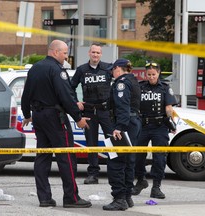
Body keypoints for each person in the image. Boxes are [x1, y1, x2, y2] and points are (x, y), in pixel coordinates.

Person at [21, 39, 92, 208]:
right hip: (55, 117)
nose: (66, 56)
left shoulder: (35, 68)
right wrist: (78, 118)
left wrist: (27, 114)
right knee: (66, 156)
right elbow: (65, 96)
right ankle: (71, 198)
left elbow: (26, 95)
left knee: (42, 157)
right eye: (65, 53)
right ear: (55, 52)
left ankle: (44, 198)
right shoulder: (57, 70)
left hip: (39, 116)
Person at [131, 61, 177, 199]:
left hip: (160, 126)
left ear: (158, 73)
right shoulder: (140, 87)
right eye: (149, 74)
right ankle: (140, 180)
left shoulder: (165, 87)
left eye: (153, 74)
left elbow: (169, 107)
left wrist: (172, 123)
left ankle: (156, 186)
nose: (151, 77)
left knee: (159, 157)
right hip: (143, 125)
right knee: (138, 156)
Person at [71, 42, 113, 184]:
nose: (95, 55)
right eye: (93, 52)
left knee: (112, 140)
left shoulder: (108, 68)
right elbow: (71, 88)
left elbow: (120, 83)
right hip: (89, 111)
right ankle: (93, 173)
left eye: (98, 53)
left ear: (101, 54)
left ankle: (114, 170)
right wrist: (76, 102)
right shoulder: (81, 70)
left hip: (105, 110)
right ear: (89, 53)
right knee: (91, 142)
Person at [103, 59, 142, 211]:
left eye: (113, 70)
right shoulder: (133, 80)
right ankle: (126, 196)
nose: (112, 73)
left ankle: (119, 198)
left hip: (123, 124)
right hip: (133, 123)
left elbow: (122, 106)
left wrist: (119, 127)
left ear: (118, 68)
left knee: (116, 161)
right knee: (128, 161)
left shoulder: (122, 83)